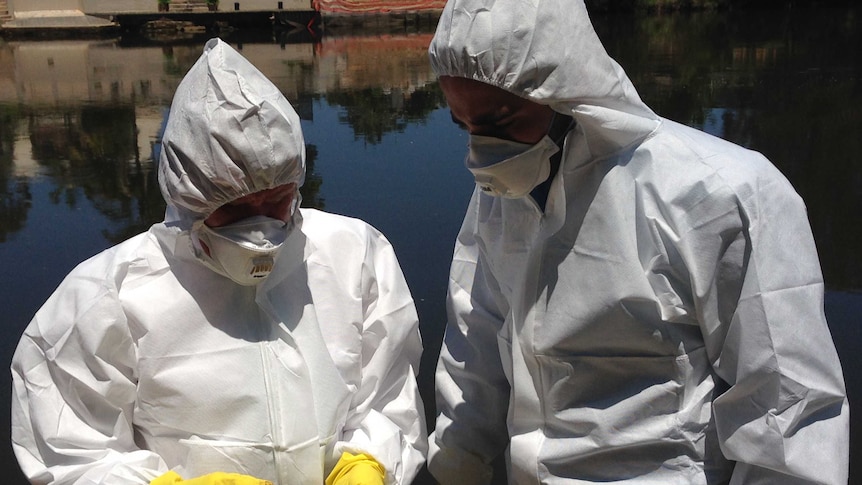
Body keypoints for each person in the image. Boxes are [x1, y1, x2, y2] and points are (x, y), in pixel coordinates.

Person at [424, 0, 850, 484]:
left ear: (562, 94)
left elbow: (785, 409)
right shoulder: (502, 198)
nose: (481, 153)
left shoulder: (718, 195)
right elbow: (473, 352)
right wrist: (454, 469)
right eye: (465, 126)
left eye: (501, 123)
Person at [11, 38, 427, 485]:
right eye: (235, 208)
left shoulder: (353, 254)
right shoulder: (107, 294)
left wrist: (367, 462)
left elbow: (388, 394)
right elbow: (70, 449)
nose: (262, 226)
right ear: (189, 198)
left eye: (278, 200)